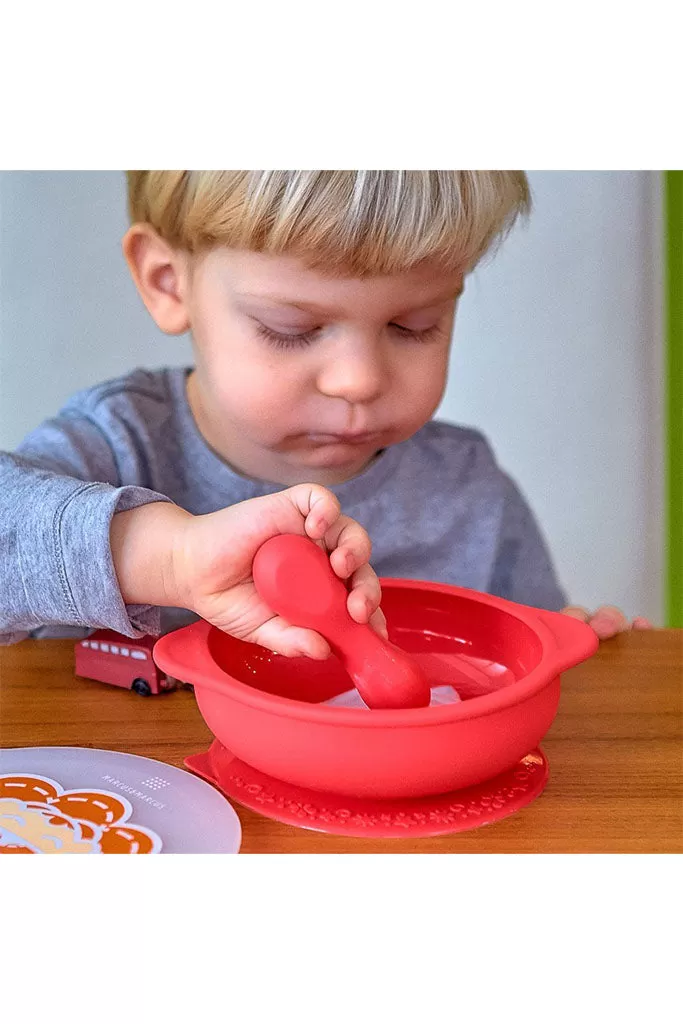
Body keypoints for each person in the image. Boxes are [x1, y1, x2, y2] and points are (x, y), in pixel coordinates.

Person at [0, 170, 652, 655]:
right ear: (169, 282)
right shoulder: (118, 446)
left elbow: (523, 651)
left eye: (413, 325)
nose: (358, 381)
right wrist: (167, 557)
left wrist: (575, 643)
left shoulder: (467, 492)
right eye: (291, 328)